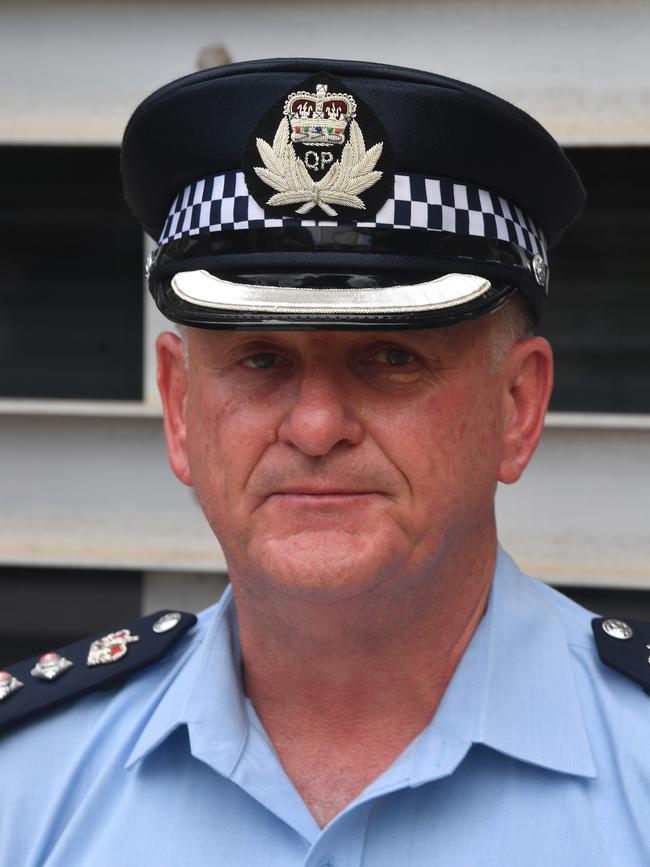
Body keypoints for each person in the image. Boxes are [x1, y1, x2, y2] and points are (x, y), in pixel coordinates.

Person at [1, 58, 649, 865]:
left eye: (391, 358)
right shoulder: (24, 784)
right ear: (177, 406)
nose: (315, 426)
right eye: (261, 360)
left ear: (516, 408)